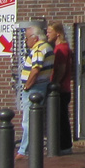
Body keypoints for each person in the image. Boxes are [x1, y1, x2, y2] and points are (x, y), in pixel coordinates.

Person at [16, 24, 54, 158]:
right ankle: (30, 147)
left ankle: (24, 150)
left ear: (35, 38)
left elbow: (36, 69)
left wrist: (27, 85)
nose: (26, 42)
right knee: (34, 118)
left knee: (28, 120)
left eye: (27, 38)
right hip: (41, 85)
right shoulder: (48, 47)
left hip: (34, 88)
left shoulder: (38, 49)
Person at [47, 22, 73, 153]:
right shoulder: (61, 48)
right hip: (63, 88)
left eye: (49, 31)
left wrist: (54, 85)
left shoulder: (61, 49)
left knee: (61, 118)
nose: (47, 34)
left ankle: (64, 146)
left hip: (61, 89)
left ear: (57, 33)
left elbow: (61, 69)